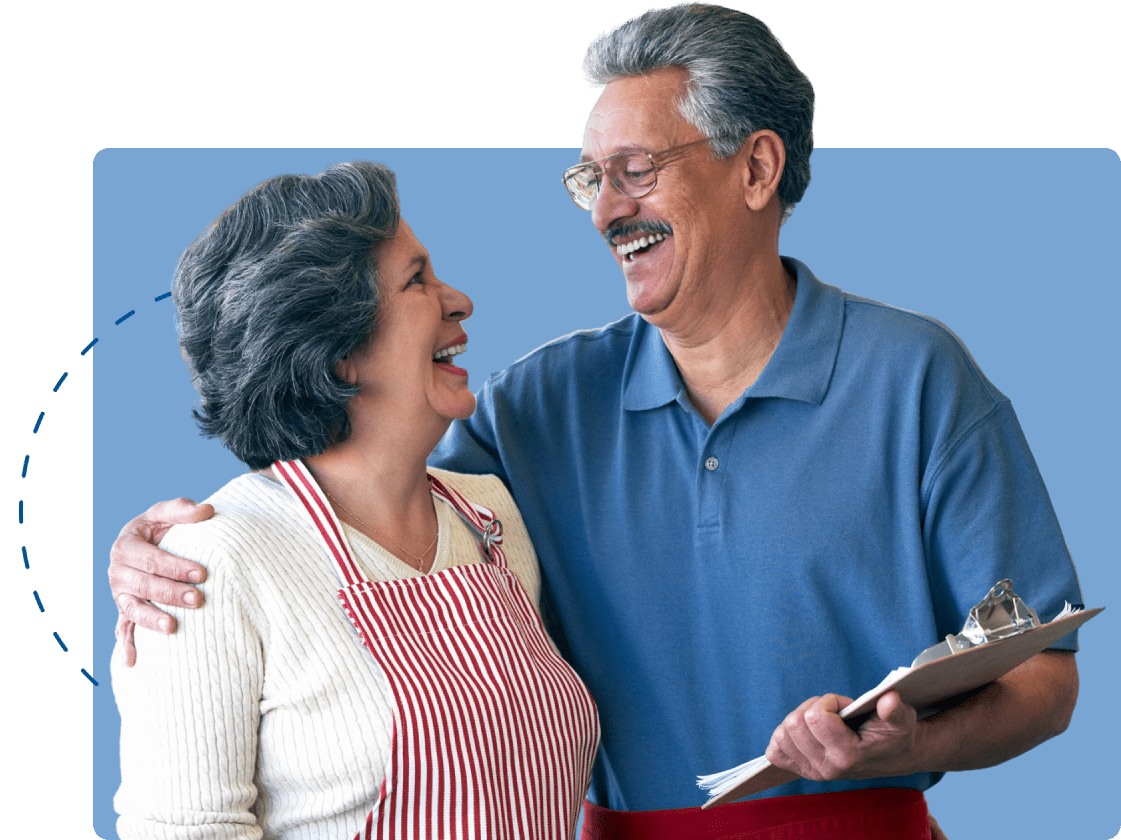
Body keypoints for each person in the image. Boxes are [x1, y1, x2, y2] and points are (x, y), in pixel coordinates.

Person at [109, 5, 1082, 838]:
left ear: (755, 169)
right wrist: (166, 546)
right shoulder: (535, 410)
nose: (603, 211)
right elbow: (354, 508)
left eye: (634, 170)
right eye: (588, 179)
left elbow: (1043, 672)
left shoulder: (913, 379)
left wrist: (915, 743)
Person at [109, 161, 599, 840]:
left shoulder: (490, 517)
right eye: (417, 280)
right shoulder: (213, 563)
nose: (458, 300)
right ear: (338, 351)